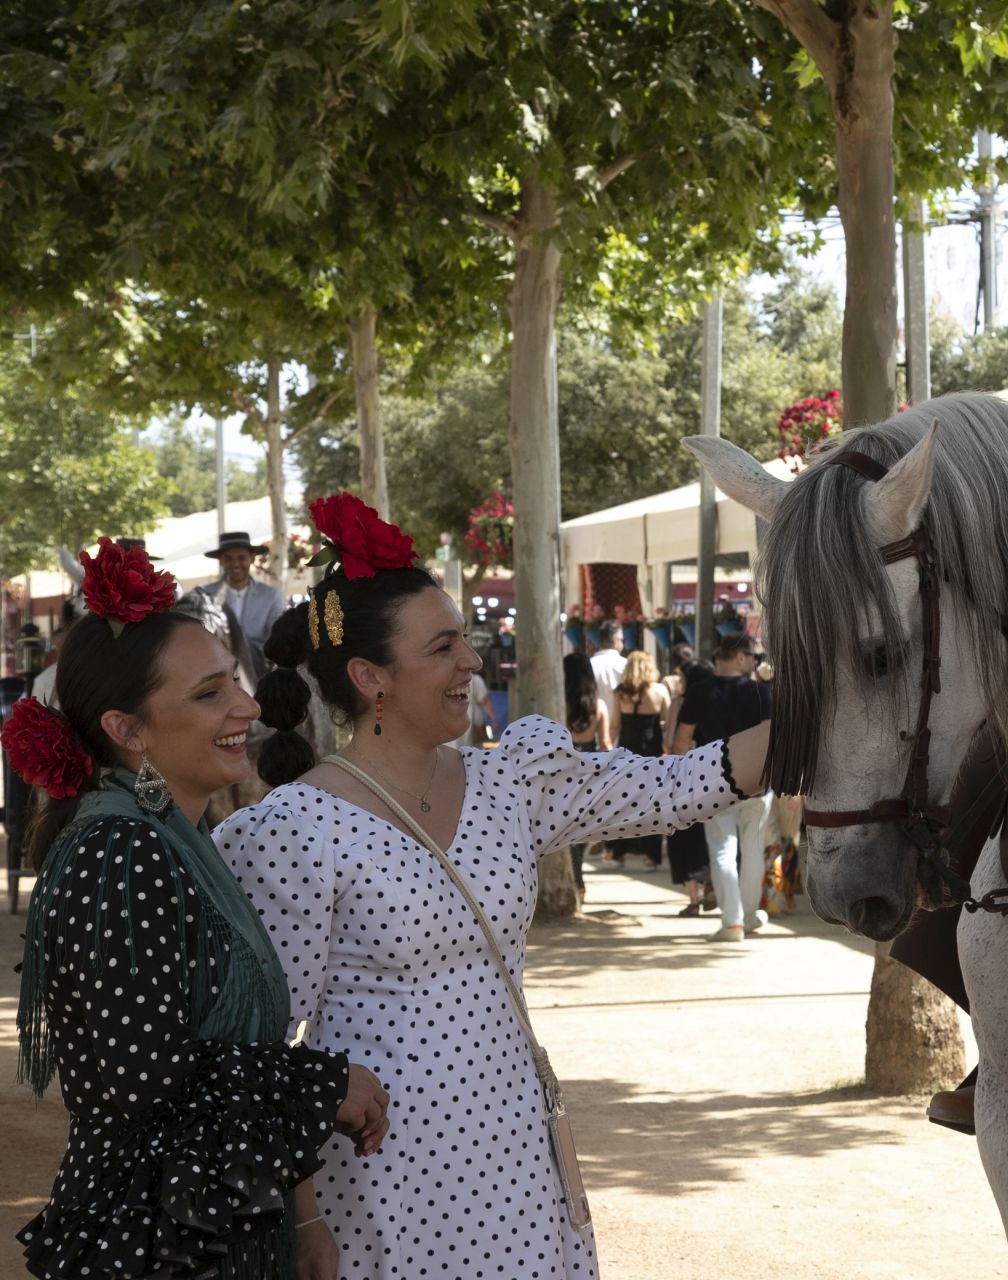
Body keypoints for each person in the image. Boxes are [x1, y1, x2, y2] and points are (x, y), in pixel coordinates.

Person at [222, 493, 770, 1280]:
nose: (473, 662)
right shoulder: (295, 831)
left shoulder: (511, 779)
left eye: (468, 641)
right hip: (381, 1177)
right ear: (370, 677)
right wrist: (304, 1214)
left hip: (516, 1143)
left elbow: (677, 784)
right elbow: (267, 1047)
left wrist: (819, 711)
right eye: (444, 647)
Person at [7, 537, 387, 1280]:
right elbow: (141, 1074)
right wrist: (322, 1085)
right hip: (153, 1241)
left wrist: (303, 1214)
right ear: (127, 730)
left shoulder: (172, 832)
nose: (247, 705)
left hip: (204, 1223)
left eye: (235, 682)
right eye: (210, 693)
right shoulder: (117, 850)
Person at [672, 632, 771, 942]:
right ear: (740, 657)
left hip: (714, 782)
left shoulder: (699, 692)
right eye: (754, 657)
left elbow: (681, 740)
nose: (756, 663)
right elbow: (773, 739)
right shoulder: (761, 692)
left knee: (722, 852)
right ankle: (750, 915)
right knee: (754, 851)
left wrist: (681, 778)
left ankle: (732, 923)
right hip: (757, 782)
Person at [605, 650, 670, 868]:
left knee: (623, 803)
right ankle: (651, 856)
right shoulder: (660, 691)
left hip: (626, 753)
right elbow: (668, 724)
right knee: (653, 804)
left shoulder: (620, 693)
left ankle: (619, 852)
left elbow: (615, 725)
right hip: (652, 754)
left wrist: (606, 751)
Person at [663, 649, 714, 916]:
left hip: (685, 776)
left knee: (684, 836)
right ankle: (712, 885)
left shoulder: (680, 704)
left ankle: (694, 898)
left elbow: (671, 742)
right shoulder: (718, 701)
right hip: (716, 777)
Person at [198, 530, 286, 675]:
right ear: (221, 560)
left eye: (241, 558)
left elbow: (276, 636)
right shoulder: (205, 594)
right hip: (216, 669)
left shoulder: (270, 595)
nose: (235, 564)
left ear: (252, 558)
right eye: (229, 558)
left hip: (259, 669)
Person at [564, 651, 612, 893]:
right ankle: (578, 879)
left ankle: (576, 880)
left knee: (565, 829)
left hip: (564, 770)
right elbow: (605, 743)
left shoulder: (559, 703)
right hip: (590, 770)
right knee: (584, 829)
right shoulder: (599, 706)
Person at [586, 618, 624, 726]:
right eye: (621, 640)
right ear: (615, 642)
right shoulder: (626, 666)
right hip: (622, 727)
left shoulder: (589, 665)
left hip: (595, 726)